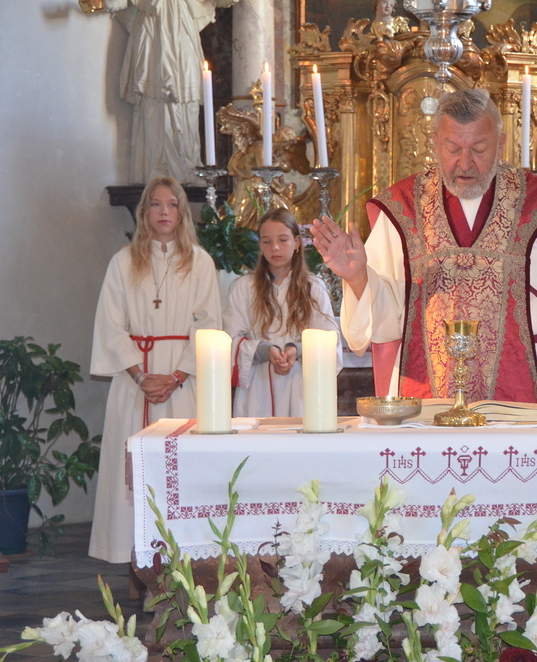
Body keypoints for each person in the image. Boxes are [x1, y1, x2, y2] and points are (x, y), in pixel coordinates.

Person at [310, 89, 537, 406]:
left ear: (500, 143)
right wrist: (358, 278)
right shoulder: (402, 208)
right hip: (425, 405)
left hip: (519, 403)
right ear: (434, 142)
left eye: (478, 149)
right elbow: (386, 317)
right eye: (453, 148)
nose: (465, 163)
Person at [89, 176, 222, 563]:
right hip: (136, 380)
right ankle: (131, 555)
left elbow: (208, 324)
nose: (164, 212)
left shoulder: (200, 262)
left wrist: (177, 376)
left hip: (182, 382)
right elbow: (111, 326)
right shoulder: (123, 262)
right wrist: (142, 377)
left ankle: (184, 555)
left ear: (182, 214)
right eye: (156, 204)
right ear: (144, 212)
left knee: (183, 467)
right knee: (130, 470)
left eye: (172, 204)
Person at [84, 0, 240, 183]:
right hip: (152, 37)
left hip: (183, 35)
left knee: (186, 102)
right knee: (154, 106)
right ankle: (157, 169)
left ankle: (188, 166)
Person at [224, 209, 342, 417]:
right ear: (260, 245)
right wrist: (261, 350)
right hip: (256, 389)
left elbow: (329, 341)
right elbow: (229, 341)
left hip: (301, 385)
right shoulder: (244, 287)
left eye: (283, 239)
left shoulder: (313, 287)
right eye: (267, 241)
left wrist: (298, 350)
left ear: (297, 242)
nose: (275, 247)